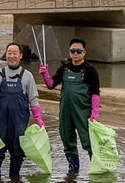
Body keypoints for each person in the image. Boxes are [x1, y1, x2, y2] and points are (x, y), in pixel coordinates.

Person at [39, 38, 101, 173]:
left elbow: (95, 92)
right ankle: (73, 170)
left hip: (83, 111)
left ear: (84, 52)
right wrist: (45, 75)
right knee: (67, 139)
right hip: (65, 111)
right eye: (72, 51)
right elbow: (51, 85)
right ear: (69, 52)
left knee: (88, 140)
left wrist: (94, 112)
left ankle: (96, 169)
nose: (75, 54)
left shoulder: (90, 70)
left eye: (78, 51)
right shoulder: (64, 69)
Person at [0, 43, 44, 178]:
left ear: (20, 55)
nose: (11, 56)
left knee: (17, 151)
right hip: (0, 120)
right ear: (6, 55)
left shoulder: (27, 76)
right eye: (9, 53)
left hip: (18, 122)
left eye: (14, 53)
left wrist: (38, 119)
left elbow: (33, 99)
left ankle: (15, 179)